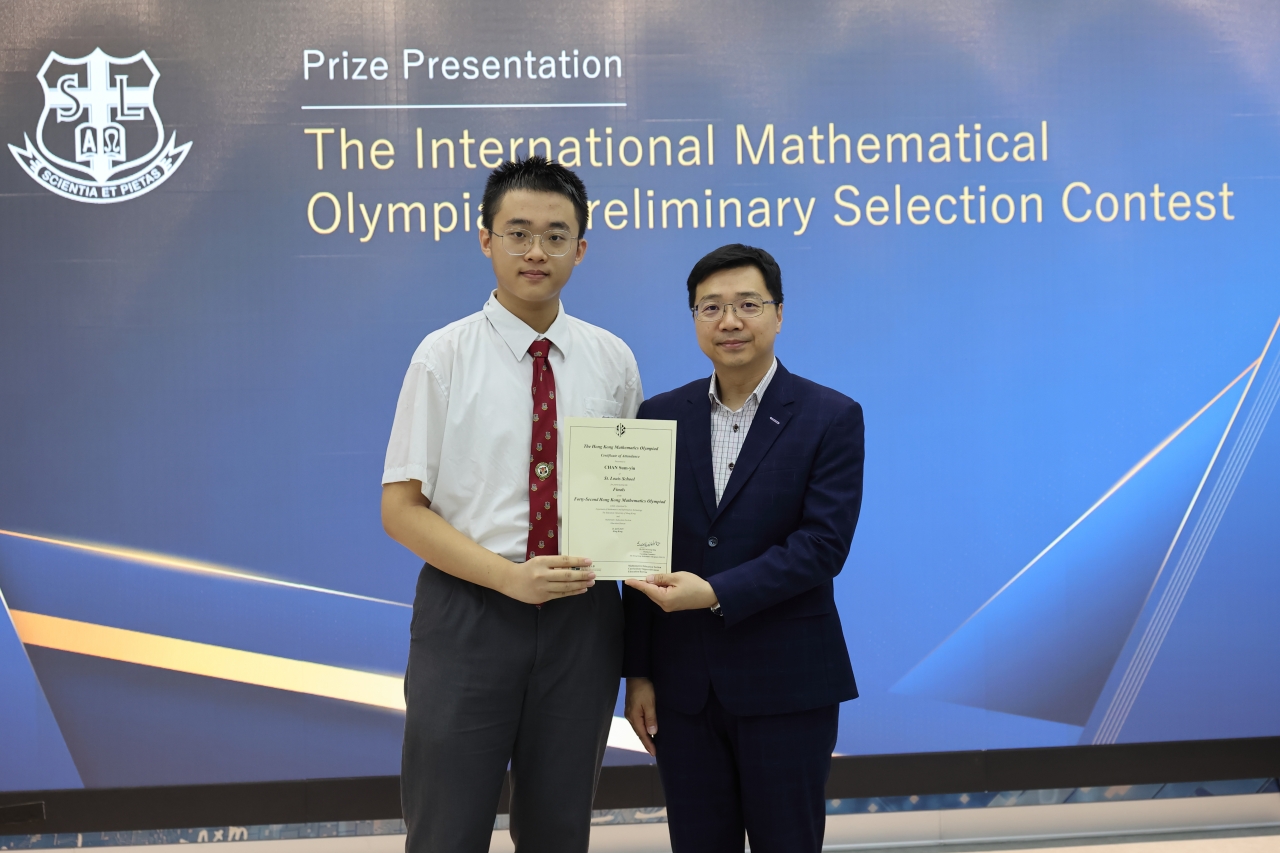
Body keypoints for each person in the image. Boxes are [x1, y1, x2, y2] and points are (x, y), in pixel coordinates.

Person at [381, 156, 643, 853]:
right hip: (469, 612)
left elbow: (627, 505)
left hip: (583, 619)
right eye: (518, 232)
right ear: (485, 239)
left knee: (559, 831)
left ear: (580, 249)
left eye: (556, 236)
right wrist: (508, 578)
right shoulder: (442, 356)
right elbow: (401, 508)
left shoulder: (613, 360)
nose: (536, 251)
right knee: (446, 830)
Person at [622, 244, 863, 853]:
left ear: (778, 314)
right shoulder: (657, 417)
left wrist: (714, 592)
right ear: (695, 319)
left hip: (788, 684)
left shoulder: (830, 416)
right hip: (683, 689)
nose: (729, 321)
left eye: (747, 305)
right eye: (711, 307)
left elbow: (822, 545)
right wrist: (639, 672)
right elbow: (637, 549)